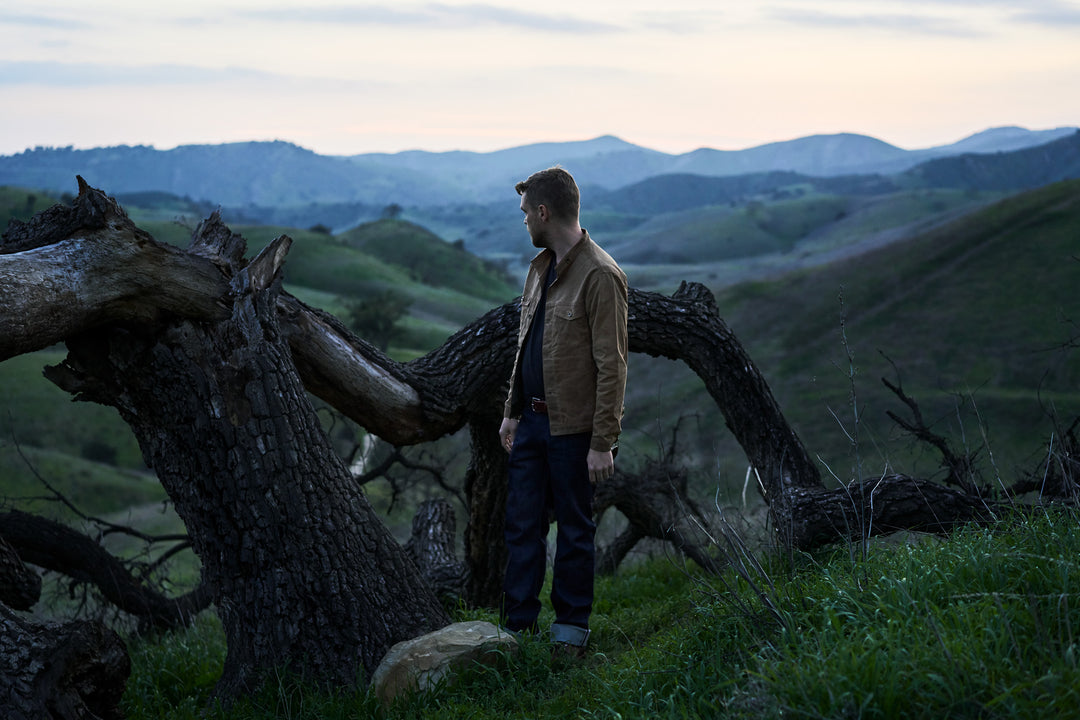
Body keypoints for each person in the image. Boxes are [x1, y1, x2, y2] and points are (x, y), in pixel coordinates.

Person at [498, 166, 628, 656]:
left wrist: (603, 442)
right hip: (530, 422)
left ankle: (570, 630)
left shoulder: (600, 275)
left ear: (544, 212)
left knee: (575, 528)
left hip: (574, 430)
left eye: (526, 212)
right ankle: (518, 629)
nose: (524, 221)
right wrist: (512, 410)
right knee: (521, 525)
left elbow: (611, 366)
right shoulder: (540, 268)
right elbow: (526, 344)